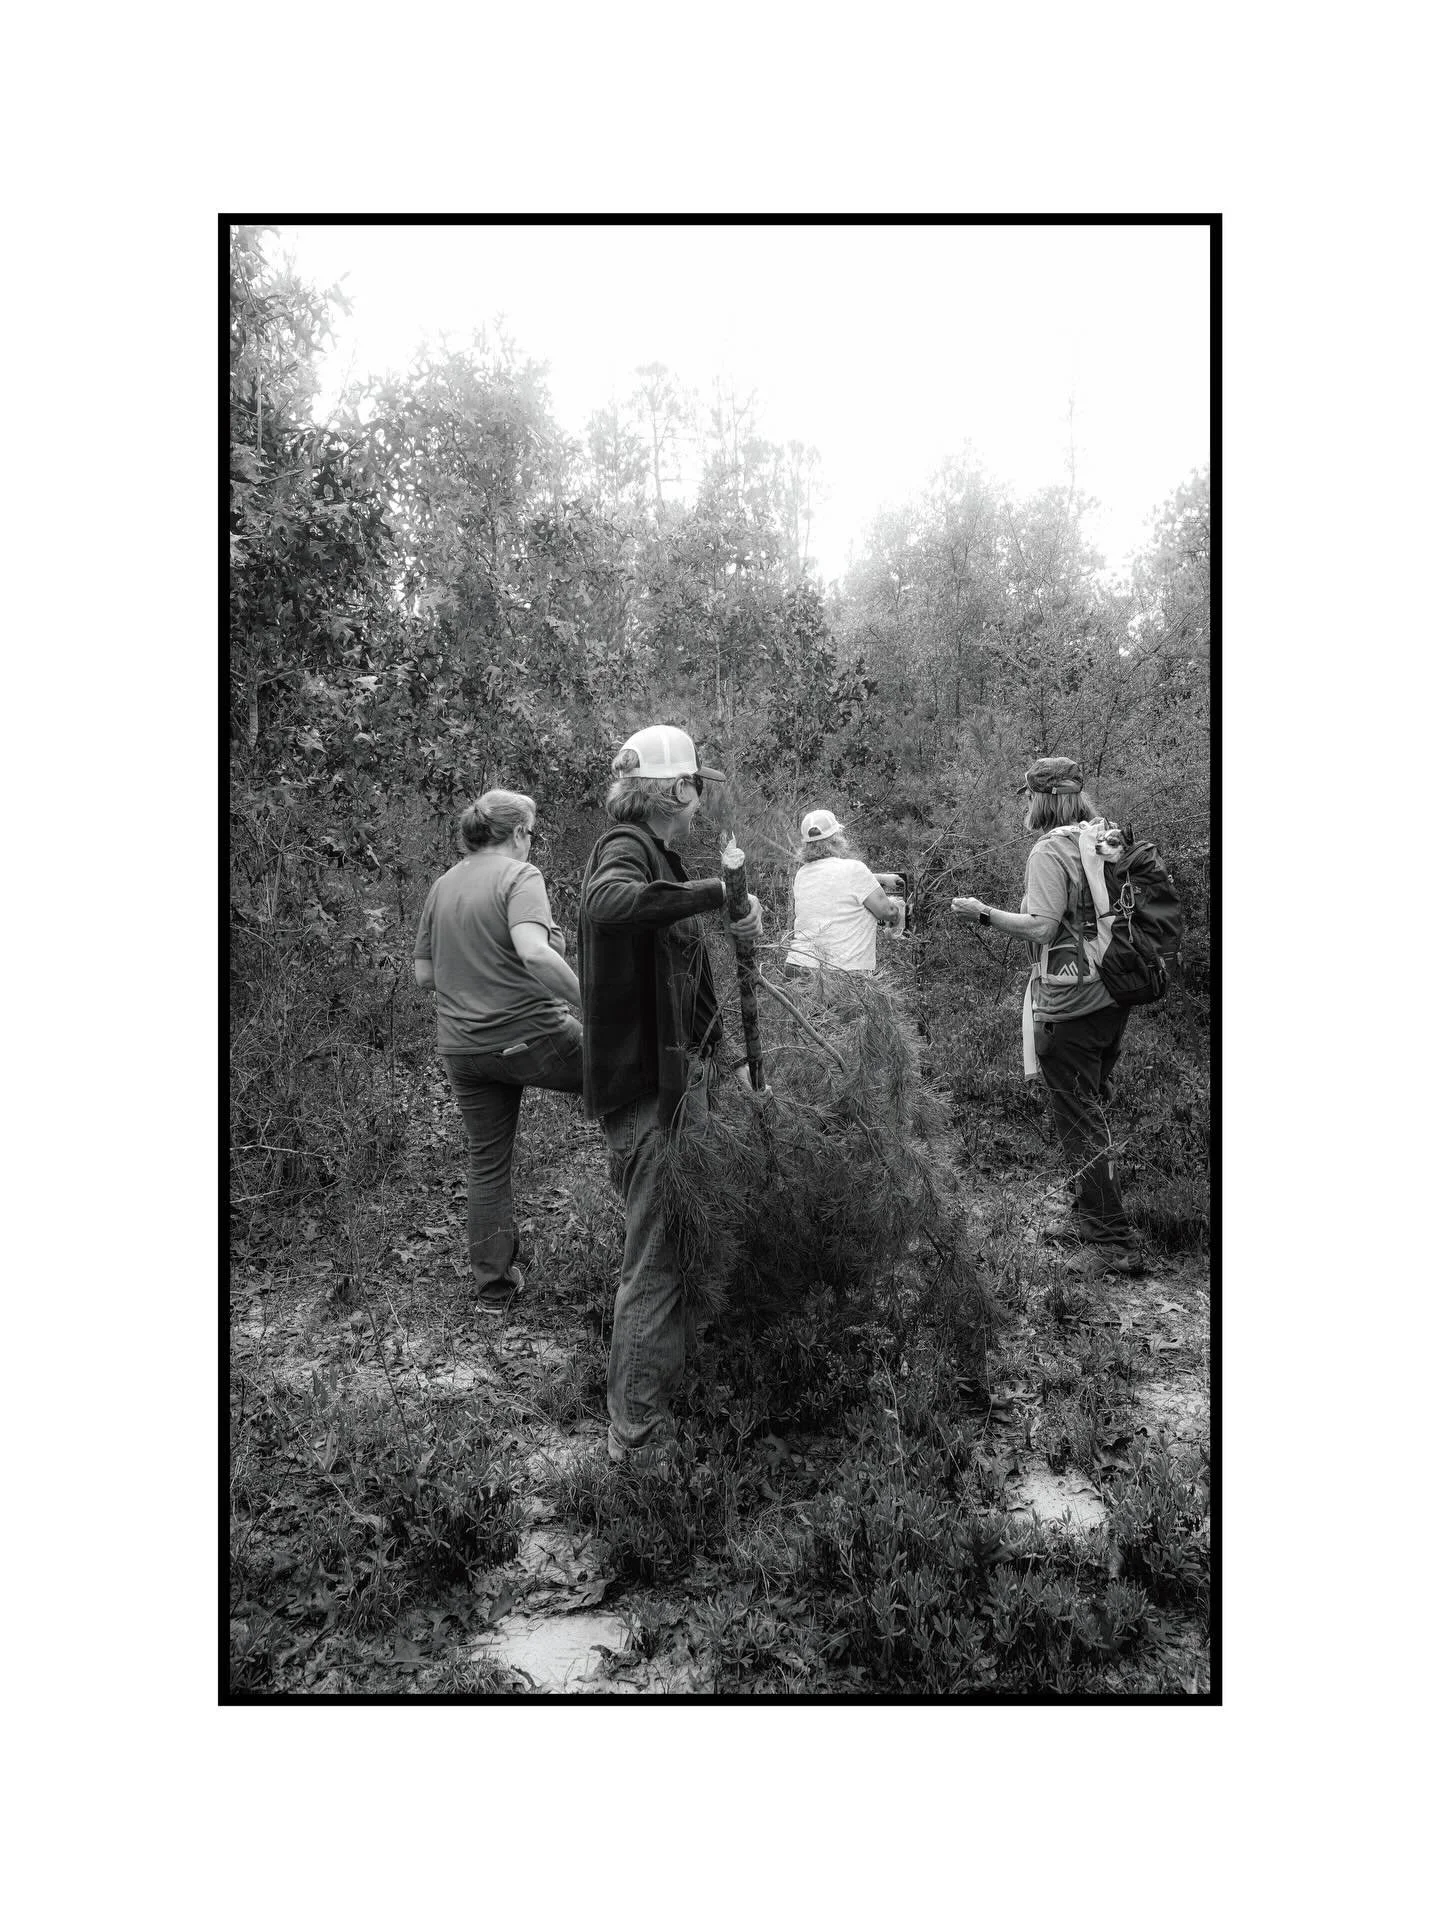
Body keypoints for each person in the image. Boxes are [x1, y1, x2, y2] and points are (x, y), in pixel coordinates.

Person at [579, 724, 762, 1468]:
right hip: (645, 1092)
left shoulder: (661, 856)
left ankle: (658, 1406)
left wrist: (728, 1060)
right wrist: (716, 892)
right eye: (693, 785)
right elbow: (605, 903)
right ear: (673, 788)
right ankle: (637, 1441)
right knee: (653, 1261)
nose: (698, 798)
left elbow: (687, 980)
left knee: (681, 1243)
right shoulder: (623, 852)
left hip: (677, 1086)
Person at [950, 757, 1143, 1277]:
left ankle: (1112, 1241)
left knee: (1079, 1116)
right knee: (1090, 1104)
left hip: (1073, 999)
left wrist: (982, 913)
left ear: (1041, 798)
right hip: (1115, 989)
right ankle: (1087, 1216)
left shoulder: (1049, 850)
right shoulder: (1102, 837)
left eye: (1028, 797)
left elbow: (1040, 928)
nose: (1026, 805)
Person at [413, 789, 583, 1309]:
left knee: (487, 1163)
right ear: (517, 834)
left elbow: (423, 975)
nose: (531, 843)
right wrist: (589, 999)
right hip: (533, 1037)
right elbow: (534, 952)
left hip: (463, 1050)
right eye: (531, 832)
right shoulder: (520, 877)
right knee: (633, 1079)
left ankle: (493, 1287)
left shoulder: (442, 886)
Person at [785, 808, 903, 980]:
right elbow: (887, 912)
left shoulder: (802, 873)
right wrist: (900, 912)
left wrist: (881, 878)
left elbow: (833, 883)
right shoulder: (854, 869)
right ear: (836, 838)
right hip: (842, 973)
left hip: (797, 967)